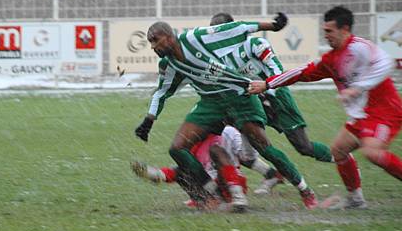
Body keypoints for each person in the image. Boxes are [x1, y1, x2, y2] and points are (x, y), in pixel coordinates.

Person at [135, 15, 319, 210]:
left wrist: (273, 26)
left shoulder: (195, 38)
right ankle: (212, 192)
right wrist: (149, 120)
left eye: (155, 40)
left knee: (264, 148)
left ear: (169, 36)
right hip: (211, 103)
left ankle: (305, 190)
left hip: (239, 96)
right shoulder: (168, 64)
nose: (153, 47)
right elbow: (161, 93)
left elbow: (236, 27)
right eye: (150, 42)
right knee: (177, 148)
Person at [248, 6, 402, 209]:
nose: (326, 36)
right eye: (324, 31)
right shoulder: (331, 59)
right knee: (338, 150)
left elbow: (386, 64)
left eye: (329, 31)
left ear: (345, 29)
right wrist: (268, 84)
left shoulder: (360, 47)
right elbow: (302, 72)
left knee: (372, 152)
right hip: (362, 115)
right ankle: (356, 199)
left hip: (385, 112)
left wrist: (357, 88)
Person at [210, 12, 333, 164]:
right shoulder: (218, 58)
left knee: (303, 147)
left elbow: (277, 70)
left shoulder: (255, 44)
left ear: (231, 30)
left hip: (277, 98)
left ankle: (341, 158)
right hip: (253, 102)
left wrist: (268, 91)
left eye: (217, 31)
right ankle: (236, 177)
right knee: (216, 125)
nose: (213, 37)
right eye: (212, 33)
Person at [131, 125, 284, 210]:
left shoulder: (228, 132)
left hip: (230, 183)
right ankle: (156, 174)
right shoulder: (194, 140)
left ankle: (237, 198)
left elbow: (247, 157)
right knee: (184, 168)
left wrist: (269, 172)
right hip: (207, 187)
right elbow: (186, 168)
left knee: (216, 151)